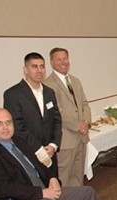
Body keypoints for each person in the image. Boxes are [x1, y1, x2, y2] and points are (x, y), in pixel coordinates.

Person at [0, 108, 106, 200]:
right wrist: (42, 193)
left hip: (43, 190)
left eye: (8, 122)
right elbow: (5, 189)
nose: (5, 127)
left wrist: (52, 178)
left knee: (87, 193)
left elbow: (39, 165)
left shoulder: (18, 141)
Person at [3, 52, 61, 176]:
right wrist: (38, 149)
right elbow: (17, 126)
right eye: (34, 67)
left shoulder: (49, 92)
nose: (39, 70)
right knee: (37, 191)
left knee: (55, 188)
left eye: (42, 66)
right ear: (25, 70)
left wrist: (53, 145)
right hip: (28, 152)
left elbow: (57, 120)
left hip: (50, 152)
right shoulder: (13, 94)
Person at [42, 48, 91, 187]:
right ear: (52, 62)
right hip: (65, 140)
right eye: (59, 59)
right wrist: (78, 125)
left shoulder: (75, 81)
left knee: (78, 176)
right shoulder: (48, 84)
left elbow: (84, 104)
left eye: (65, 58)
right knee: (63, 178)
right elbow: (58, 111)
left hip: (81, 138)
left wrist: (86, 122)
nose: (63, 62)